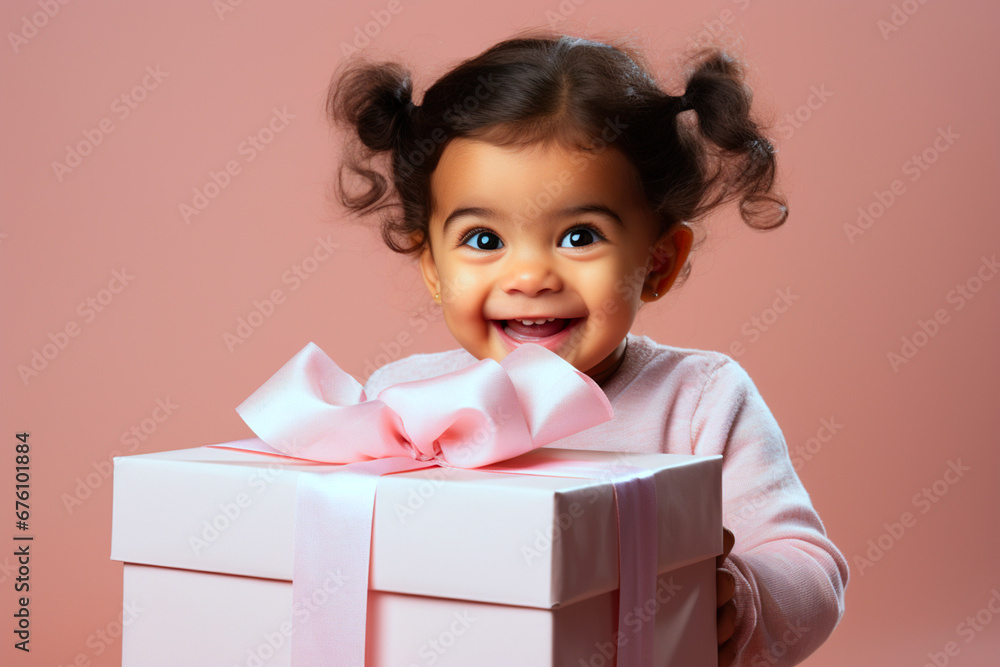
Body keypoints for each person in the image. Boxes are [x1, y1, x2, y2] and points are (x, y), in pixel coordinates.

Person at [326, 27, 848, 666]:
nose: (530, 278)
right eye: (484, 241)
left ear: (657, 261)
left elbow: (810, 566)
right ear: (431, 264)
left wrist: (744, 595)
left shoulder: (699, 401)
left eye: (579, 237)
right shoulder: (400, 400)